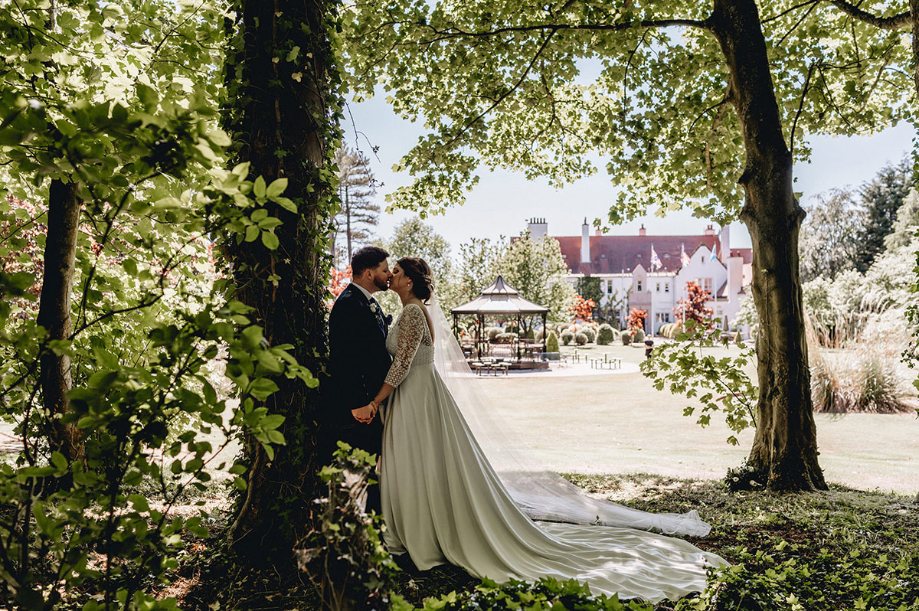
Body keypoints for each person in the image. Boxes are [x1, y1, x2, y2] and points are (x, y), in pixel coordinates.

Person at [356, 257, 728, 603]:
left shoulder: (414, 314)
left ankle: (421, 537)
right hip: (414, 397)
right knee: (418, 463)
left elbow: (403, 364)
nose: (392, 276)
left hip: (417, 396)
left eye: (398, 272)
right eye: (391, 272)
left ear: (410, 281)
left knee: (418, 462)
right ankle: (416, 531)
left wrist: (375, 401)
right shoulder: (409, 312)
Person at [326, 246, 393, 514]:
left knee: (370, 468)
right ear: (368, 273)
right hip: (357, 407)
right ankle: (353, 534)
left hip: (372, 402)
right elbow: (344, 359)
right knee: (356, 473)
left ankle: (372, 531)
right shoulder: (348, 305)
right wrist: (359, 403)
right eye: (385, 270)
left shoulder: (368, 302)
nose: (389, 275)